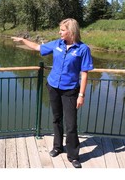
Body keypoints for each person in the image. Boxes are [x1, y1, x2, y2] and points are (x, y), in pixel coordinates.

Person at [11, 18, 94, 168]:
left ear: (71, 31)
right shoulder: (57, 44)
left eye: (62, 30)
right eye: (60, 30)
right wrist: (23, 40)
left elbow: (85, 73)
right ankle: (57, 147)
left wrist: (81, 95)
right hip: (53, 86)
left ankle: (73, 155)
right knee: (56, 119)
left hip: (70, 90)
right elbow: (38, 48)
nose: (60, 32)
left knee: (71, 124)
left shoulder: (83, 49)